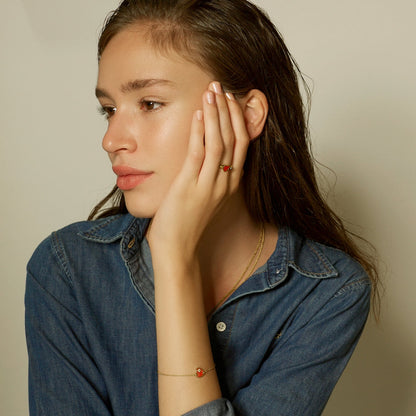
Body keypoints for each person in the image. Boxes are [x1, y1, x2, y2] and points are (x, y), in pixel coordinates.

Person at [25, 1, 379, 415]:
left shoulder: (327, 292)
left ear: (247, 116)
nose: (111, 140)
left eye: (150, 104)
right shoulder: (67, 270)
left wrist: (174, 255)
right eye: (109, 110)